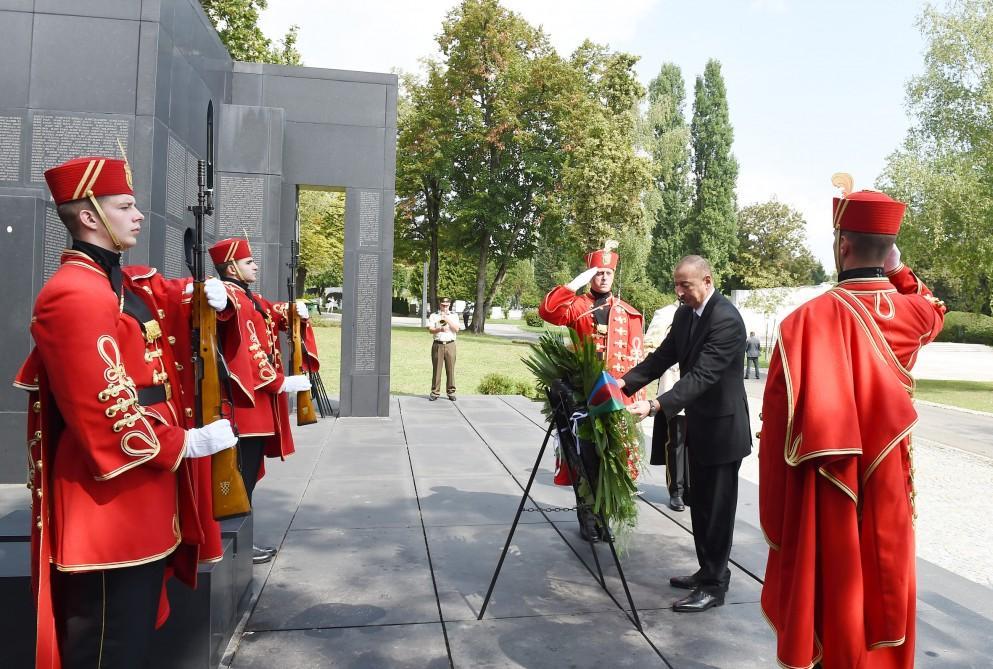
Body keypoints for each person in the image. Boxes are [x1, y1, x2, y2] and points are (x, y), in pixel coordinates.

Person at [15, 156, 238, 668]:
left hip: (139, 496)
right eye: (126, 205)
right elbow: (104, 409)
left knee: (129, 637)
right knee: (107, 644)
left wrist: (219, 302)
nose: (138, 215)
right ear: (90, 216)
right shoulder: (73, 294)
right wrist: (184, 443)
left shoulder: (115, 283)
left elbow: (164, 300)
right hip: (108, 505)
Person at [759, 178, 945, 669]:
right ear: (886, 250)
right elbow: (935, 309)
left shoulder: (801, 322)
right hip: (888, 479)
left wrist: (780, 509)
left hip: (827, 481)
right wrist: (899, 268)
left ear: (842, 244)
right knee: (884, 580)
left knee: (829, 588)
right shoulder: (914, 314)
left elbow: (777, 426)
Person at [619, 255, 750, 612]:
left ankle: (714, 586)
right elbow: (663, 356)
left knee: (717, 510)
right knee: (700, 506)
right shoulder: (684, 314)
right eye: (676, 285)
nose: (678, 292)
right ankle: (705, 570)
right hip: (700, 425)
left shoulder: (726, 319)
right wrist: (624, 383)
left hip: (724, 430)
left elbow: (703, 375)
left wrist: (655, 406)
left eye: (685, 285)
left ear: (707, 281)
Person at [210, 238, 312, 564]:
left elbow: (269, 311)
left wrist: (293, 309)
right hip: (246, 405)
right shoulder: (231, 297)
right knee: (239, 478)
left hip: (258, 406)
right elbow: (242, 338)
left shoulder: (247, 297)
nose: (255, 265)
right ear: (231, 268)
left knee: (248, 476)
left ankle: (239, 544)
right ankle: (231, 547)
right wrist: (280, 382)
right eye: (248, 261)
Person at [538, 241, 645, 541]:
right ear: (590, 275)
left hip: (613, 397)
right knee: (585, 457)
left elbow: (635, 358)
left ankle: (605, 515)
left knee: (612, 459)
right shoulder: (578, 307)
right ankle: (587, 515)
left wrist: (636, 399)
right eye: (598, 272)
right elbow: (547, 311)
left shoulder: (627, 313)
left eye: (608, 272)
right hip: (582, 395)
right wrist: (574, 284)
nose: (604, 277)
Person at [643, 304, 688, 512]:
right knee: (676, 442)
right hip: (673, 383)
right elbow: (650, 348)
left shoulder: (708, 313)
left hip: (701, 390)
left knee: (696, 442)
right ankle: (676, 491)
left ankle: (691, 487)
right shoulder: (665, 314)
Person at [427, 297, 459, 401]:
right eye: (443, 305)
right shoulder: (434, 315)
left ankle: (451, 392)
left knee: (450, 369)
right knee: (437, 369)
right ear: (440, 305)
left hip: (450, 345)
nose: (445, 307)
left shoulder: (454, 316)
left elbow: (456, 329)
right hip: (438, 344)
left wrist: (447, 319)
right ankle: (435, 392)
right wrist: (440, 328)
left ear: (449, 305)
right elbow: (430, 330)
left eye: (446, 305)